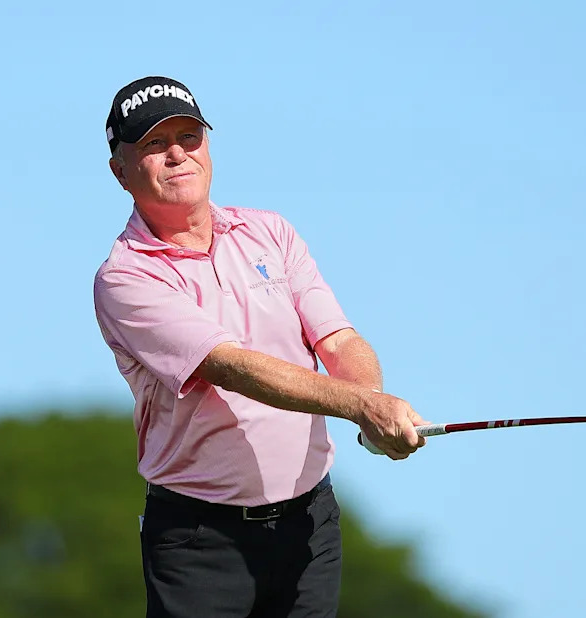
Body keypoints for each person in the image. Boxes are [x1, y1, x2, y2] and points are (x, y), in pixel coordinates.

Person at [93, 75, 427, 618]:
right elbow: (231, 367)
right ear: (121, 171)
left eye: (189, 137)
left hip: (309, 527)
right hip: (200, 544)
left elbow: (337, 338)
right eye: (155, 144)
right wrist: (362, 407)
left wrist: (370, 402)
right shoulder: (125, 277)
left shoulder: (271, 232)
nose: (178, 154)